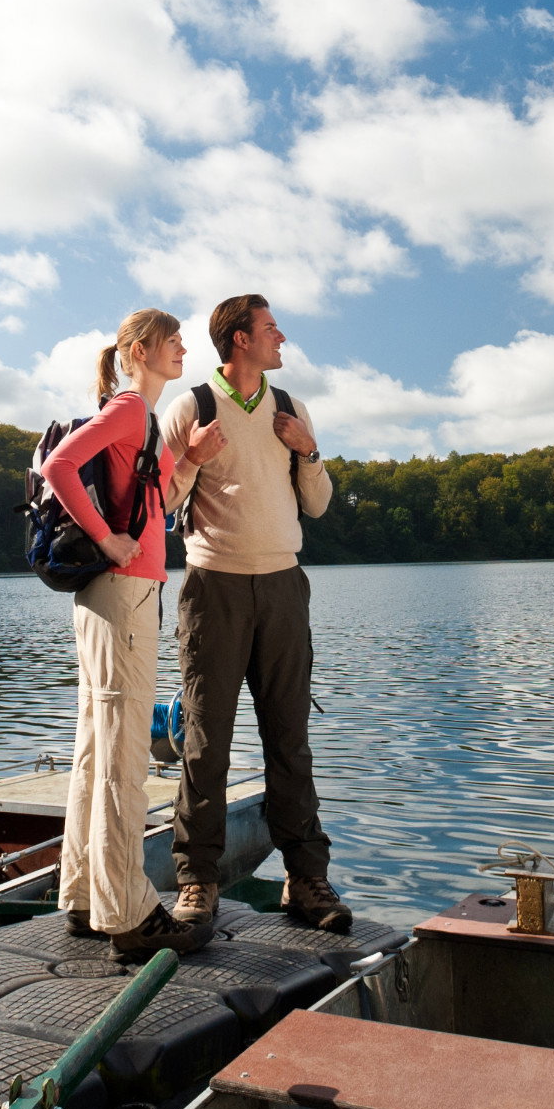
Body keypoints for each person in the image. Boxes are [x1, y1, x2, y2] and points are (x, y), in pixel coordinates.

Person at [37, 307, 227, 955]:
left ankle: (84, 895)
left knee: (97, 750)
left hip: (114, 595)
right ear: (140, 350)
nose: (183, 350)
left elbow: (155, 505)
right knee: (122, 758)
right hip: (122, 594)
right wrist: (105, 538)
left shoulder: (141, 421)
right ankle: (130, 914)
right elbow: (59, 466)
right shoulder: (126, 410)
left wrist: (188, 458)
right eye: (173, 340)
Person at [160, 293, 351, 932]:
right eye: (271, 328)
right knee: (205, 742)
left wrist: (309, 450)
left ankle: (306, 879)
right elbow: (160, 503)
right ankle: (197, 882)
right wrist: (192, 458)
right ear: (240, 339)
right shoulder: (191, 407)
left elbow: (317, 505)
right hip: (213, 589)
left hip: (283, 589)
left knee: (289, 739)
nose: (282, 337)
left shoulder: (290, 408)